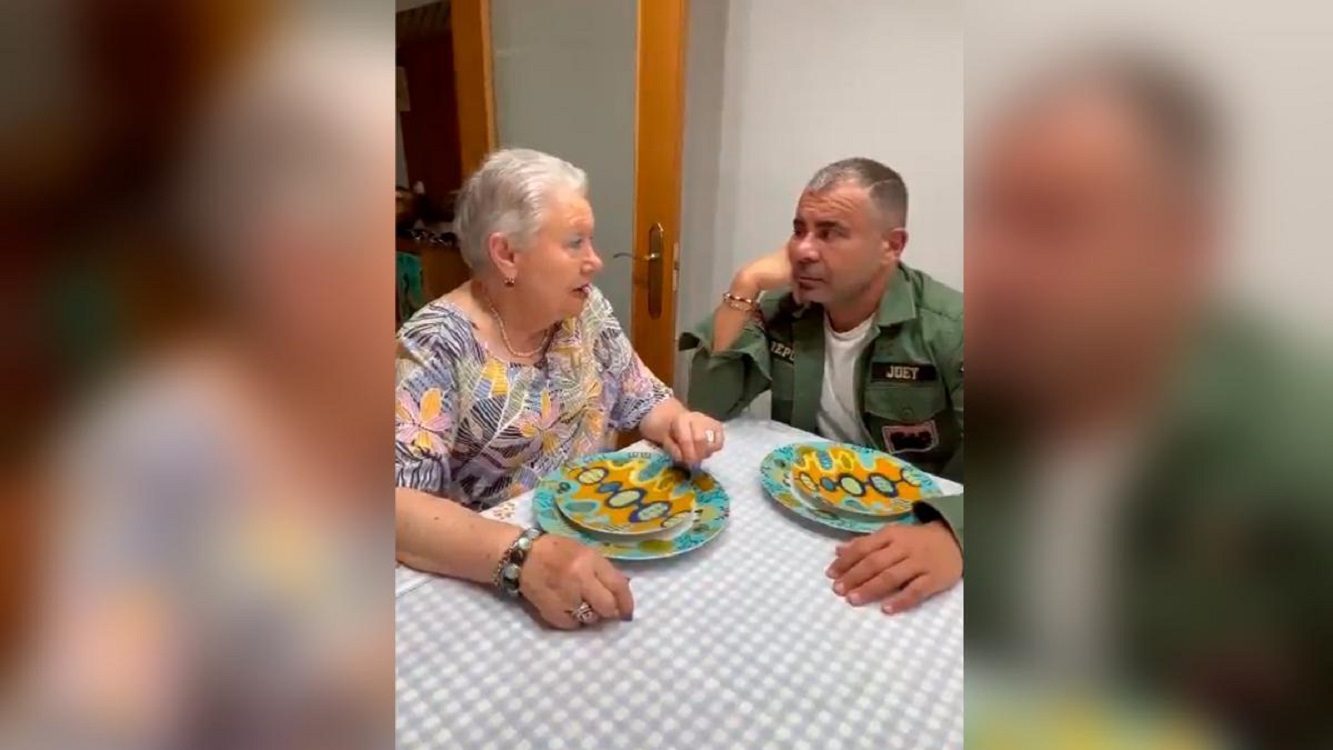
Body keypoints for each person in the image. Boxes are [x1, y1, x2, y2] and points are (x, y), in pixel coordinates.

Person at [967, 54, 1333, 746]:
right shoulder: (997, 391)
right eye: (993, 216)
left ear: (1187, 243)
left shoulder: (1305, 449)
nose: (1000, 265)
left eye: (1053, 221)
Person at [395, 148, 725, 630]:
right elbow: (397, 508)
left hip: (604, 537)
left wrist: (681, 423)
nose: (595, 262)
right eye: (575, 243)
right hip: (499, 581)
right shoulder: (436, 344)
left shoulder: (584, 311)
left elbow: (647, 401)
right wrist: (523, 556)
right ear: (506, 253)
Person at [679, 158, 964, 614]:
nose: (804, 251)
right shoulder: (786, 307)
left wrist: (952, 533)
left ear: (891, 246)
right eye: (799, 229)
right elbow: (708, 405)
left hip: (911, 529)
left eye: (830, 233)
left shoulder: (953, 329)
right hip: (805, 517)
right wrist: (744, 285)